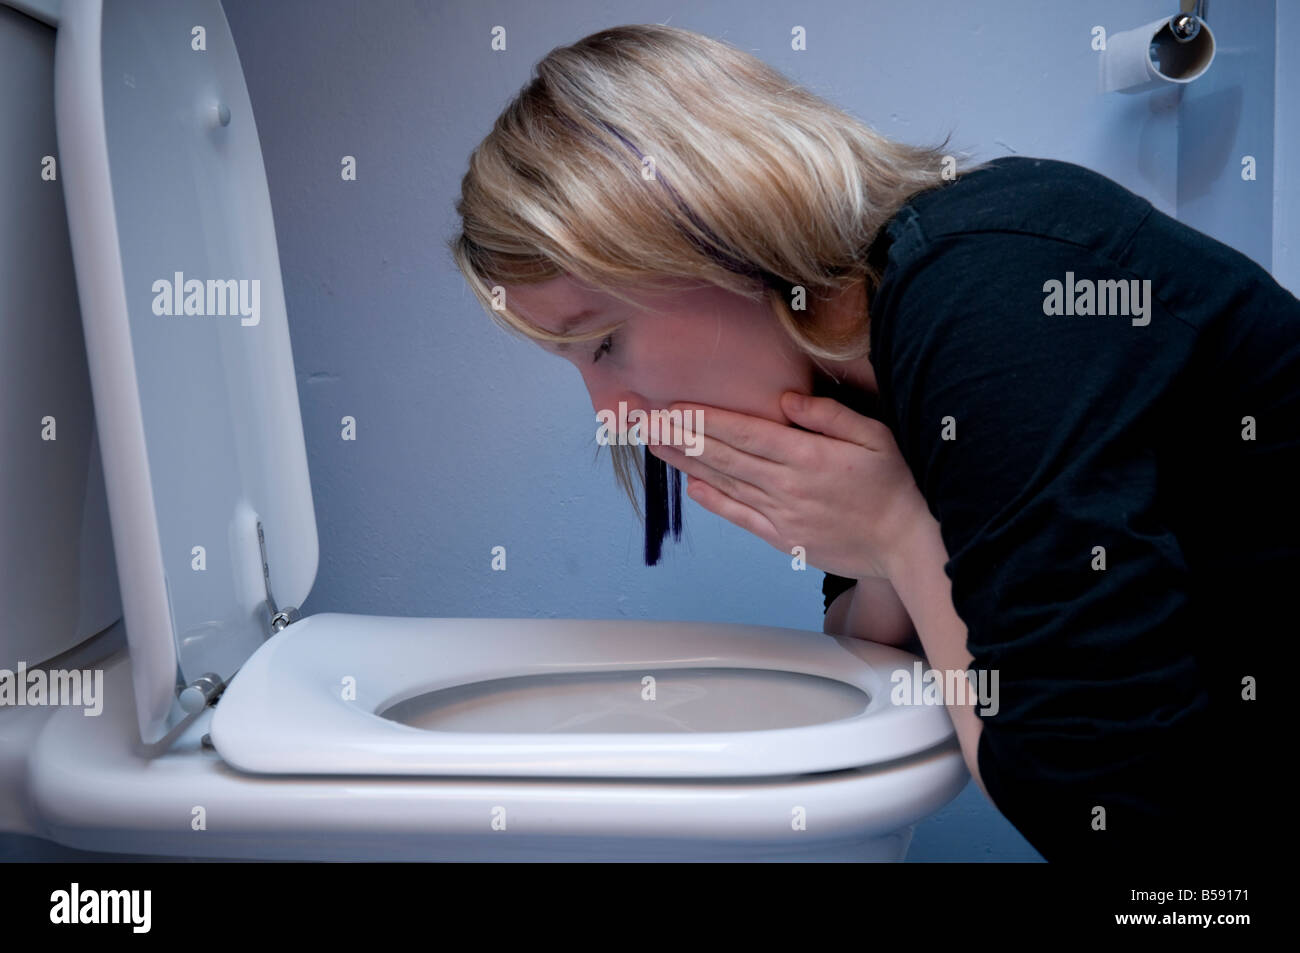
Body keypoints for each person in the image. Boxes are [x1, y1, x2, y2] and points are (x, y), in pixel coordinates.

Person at [448, 24, 1291, 861]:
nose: (612, 413)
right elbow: (867, 640)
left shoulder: (984, 297)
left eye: (601, 342)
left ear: (721, 232)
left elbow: (1113, 809)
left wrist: (899, 530)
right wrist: (882, 543)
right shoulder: (851, 356)